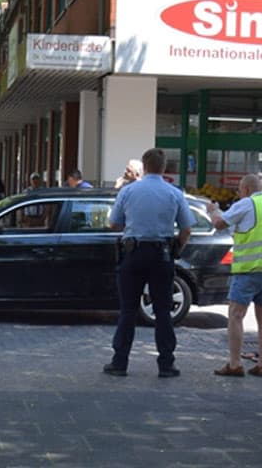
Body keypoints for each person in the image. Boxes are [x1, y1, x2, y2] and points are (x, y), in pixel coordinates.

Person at [103, 148, 194, 378]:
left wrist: (134, 226)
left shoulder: (129, 191)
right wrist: (176, 249)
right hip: (161, 255)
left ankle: (119, 362)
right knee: (163, 311)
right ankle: (166, 364)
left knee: (128, 310)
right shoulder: (174, 193)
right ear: (164, 168)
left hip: (133, 254)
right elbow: (186, 228)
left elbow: (113, 223)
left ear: (144, 165)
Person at [206, 174, 262, 377]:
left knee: (236, 315)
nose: (238, 194)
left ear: (246, 189)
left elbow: (219, 223)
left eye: (239, 190)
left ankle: (235, 364)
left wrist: (213, 211)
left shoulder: (247, 203)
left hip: (248, 270)